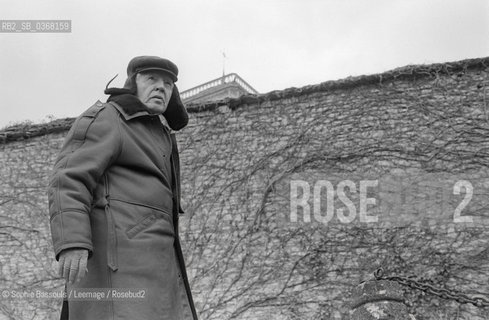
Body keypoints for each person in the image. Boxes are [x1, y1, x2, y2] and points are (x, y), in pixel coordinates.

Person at [48, 56, 198, 320]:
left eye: (168, 83)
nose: (161, 87)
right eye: (151, 79)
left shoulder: (160, 135)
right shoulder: (110, 118)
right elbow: (69, 178)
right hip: (118, 271)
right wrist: (72, 242)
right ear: (133, 83)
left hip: (159, 268)